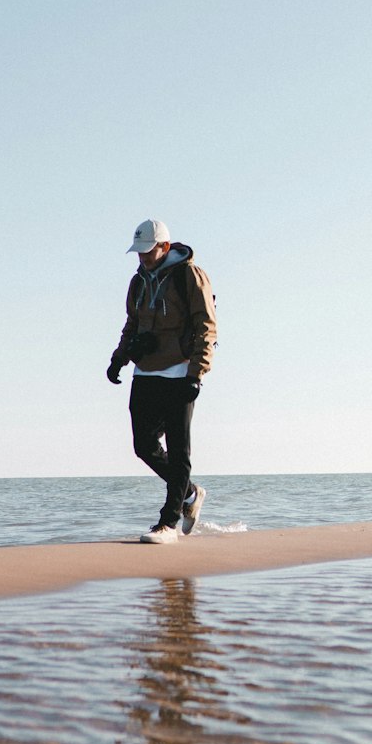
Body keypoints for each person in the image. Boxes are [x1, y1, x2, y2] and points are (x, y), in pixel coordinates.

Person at [107, 219, 217, 543]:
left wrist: (197, 373)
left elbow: (207, 326)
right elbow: (132, 324)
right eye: (138, 252)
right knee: (143, 445)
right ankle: (190, 494)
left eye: (147, 250)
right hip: (145, 373)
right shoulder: (137, 282)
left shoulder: (189, 276)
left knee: (178, 450)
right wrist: (118, 358)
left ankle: (168, 523)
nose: (141, 257)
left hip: (180, 373)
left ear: (164, 247)